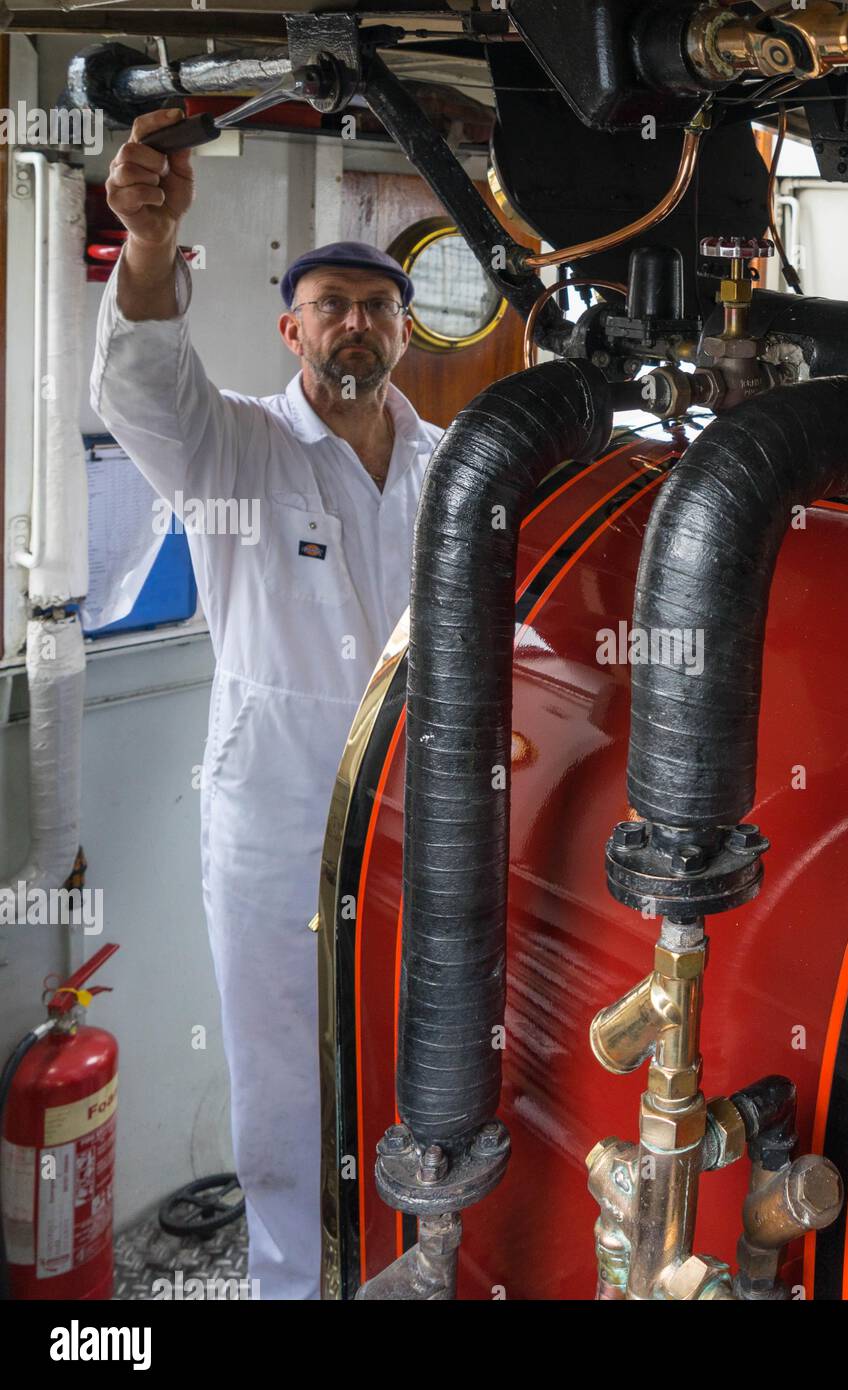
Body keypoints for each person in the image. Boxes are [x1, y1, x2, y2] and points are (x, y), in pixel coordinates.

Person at [90, 107, 445, 1298]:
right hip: (278, 821)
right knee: (286, 1077)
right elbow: (144, 386)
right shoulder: (234, 449)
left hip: (424, 812)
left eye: (375, 305)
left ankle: (415, 1261)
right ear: (290, 327)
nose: (354, 324)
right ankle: (297, 1285)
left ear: (404, 328)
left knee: (418, 1050)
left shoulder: (451, 465)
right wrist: (147, 245)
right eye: (331, 305)